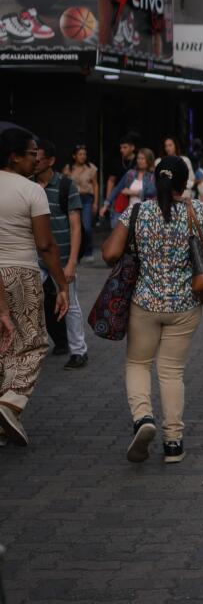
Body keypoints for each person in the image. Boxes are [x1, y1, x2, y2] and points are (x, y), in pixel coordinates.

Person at [102, 157, 203, 464]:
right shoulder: (196, 211)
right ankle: (173, 442)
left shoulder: (137, 211)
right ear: (184, 183)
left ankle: (143, 418)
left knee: (137, 363)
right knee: (172, 372)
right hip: (185, 305)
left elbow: (109, 252)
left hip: (144, 302)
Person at [0, 128, 68, 446]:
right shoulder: (32, 191)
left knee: (4, 346)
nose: (36, 158)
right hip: (21, 273)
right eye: (31, 153)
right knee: (32, 344)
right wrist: (62, 283)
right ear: (14, 156)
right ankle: (10, 402)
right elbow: (45, 244)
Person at [34, 140, 86, 367]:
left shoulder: (66, 186)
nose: (34, 162)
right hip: (35, 257)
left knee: (71, 303)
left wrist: (72, 262)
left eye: (39, 158)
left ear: (51, 161)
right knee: (27, 299)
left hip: (62, 258)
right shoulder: (29, 186)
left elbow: (76, 227)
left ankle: (79, 351)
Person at [102, 147, 156, 221]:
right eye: (138, 158)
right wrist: (106, 204)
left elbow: (151, 191)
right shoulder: (131, 174)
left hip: (146, 213)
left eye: (143, 158)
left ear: (149, 160)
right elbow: (117, 189)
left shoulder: (152, 176)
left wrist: (132, 192)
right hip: (129, 212)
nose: (140, 161)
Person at [64, 144, 98, 259]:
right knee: (73, 226)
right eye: (80, 154)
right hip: (72, 198)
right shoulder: (68, 168)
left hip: (86, 198)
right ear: (74, 156)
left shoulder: (91, 168)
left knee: (87, 227)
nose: (83, 156)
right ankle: (74, 253)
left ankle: (88, 251)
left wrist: (96, 202)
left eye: (84, 154)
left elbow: (95, 185)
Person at [102, 132, 138, 226]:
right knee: (116, 225)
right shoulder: (116, 161)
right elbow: (111, 180)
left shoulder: (139, 161)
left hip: (134, 197)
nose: (122, 150)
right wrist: (108, 199)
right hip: (118, 198)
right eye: (121, 148)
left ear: (132, 148)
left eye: (125, 147)